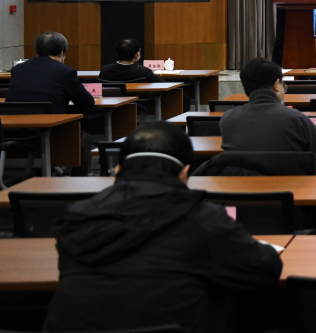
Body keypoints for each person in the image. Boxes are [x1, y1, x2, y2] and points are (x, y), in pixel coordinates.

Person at [44, 122, 283, 333]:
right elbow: (265, 269)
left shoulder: (75, 216)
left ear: (117, 170)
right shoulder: (202, 218)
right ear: (185, 173)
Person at [220, 57, 316, 172]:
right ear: (276, 85)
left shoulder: (228, 119)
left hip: (243, 189)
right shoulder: (296, 119)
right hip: (291, 188)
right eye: (282, 84)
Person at [7, 32, 95, 176]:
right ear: (62, 53)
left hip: (11, 134)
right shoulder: (66, 71)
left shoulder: (17, 70)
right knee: (83, 139)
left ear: (37, 51)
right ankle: (80, 181)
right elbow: (87, 103)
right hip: (49, 135)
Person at [99, 38, 166, 83]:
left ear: (117, 54)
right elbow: (164, 85)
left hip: (112, 100)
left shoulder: (105, 70)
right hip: (140, 100)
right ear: (137, 55)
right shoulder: (144, 72)